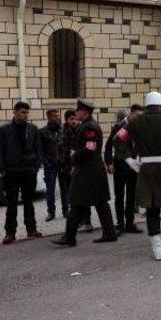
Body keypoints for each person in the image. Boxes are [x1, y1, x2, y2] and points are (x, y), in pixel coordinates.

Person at [113, 91, 161, 260]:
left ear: (146, 105)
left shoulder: (135, 121)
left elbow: (118, 139)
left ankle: (158, 251)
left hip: (146, 170)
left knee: (152, 210)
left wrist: (128, 160)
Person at [51, 99, 117, 247]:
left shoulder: (90, 127)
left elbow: (90, 148)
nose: (76, 113)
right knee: (96, 202)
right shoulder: (87, 125)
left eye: (78, 111)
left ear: (85, 112)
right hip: (90, 169)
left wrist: (74, 156)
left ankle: (70, 237)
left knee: (76, 201)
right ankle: (108, 232)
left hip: (89, 170)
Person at [0, 101, 43, 244]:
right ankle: (10, 233)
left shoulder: (33, 129)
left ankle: (31, 229)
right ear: (15, 112)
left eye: (27, 112)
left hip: (28, 171)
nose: (26, 115)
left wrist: (35, 167)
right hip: (11, 172)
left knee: (29, 203)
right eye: (23, 112)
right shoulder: (4, 130)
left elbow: (38, 149)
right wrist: (3, 170)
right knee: (11, 205)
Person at [104, 105, 144, 235]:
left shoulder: (139, 126)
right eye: (138, 115)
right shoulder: (119, 126)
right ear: (131, 113)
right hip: (121, 165)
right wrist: (109, 162)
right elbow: (109, 145)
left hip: (134, 166)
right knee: (120, 195)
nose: (140, 118)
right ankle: (120, 223)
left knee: (132, 195)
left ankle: (130, 223)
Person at [39, 108, 69, 222]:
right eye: (54, 116)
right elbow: (40, 150)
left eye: (58, 115)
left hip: (62, 164)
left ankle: (66, 210)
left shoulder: (64, 129)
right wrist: (45, 162)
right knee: (50, 190)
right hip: (49, 165)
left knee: (64, 189)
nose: (57, 117)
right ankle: (51, 212)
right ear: (48, 117)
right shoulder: (42, 132)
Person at [57, 109, 78, 224]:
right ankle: (66, 211)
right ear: (67, 120)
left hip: (78, 168)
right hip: (65, 168)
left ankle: (80, 216)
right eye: (71, 119)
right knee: (66, 190)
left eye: (75, 118)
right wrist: (63, 165)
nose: (74, 121)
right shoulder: (62, 132)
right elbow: (60, 151)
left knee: (78, 192)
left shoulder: (81, 130)